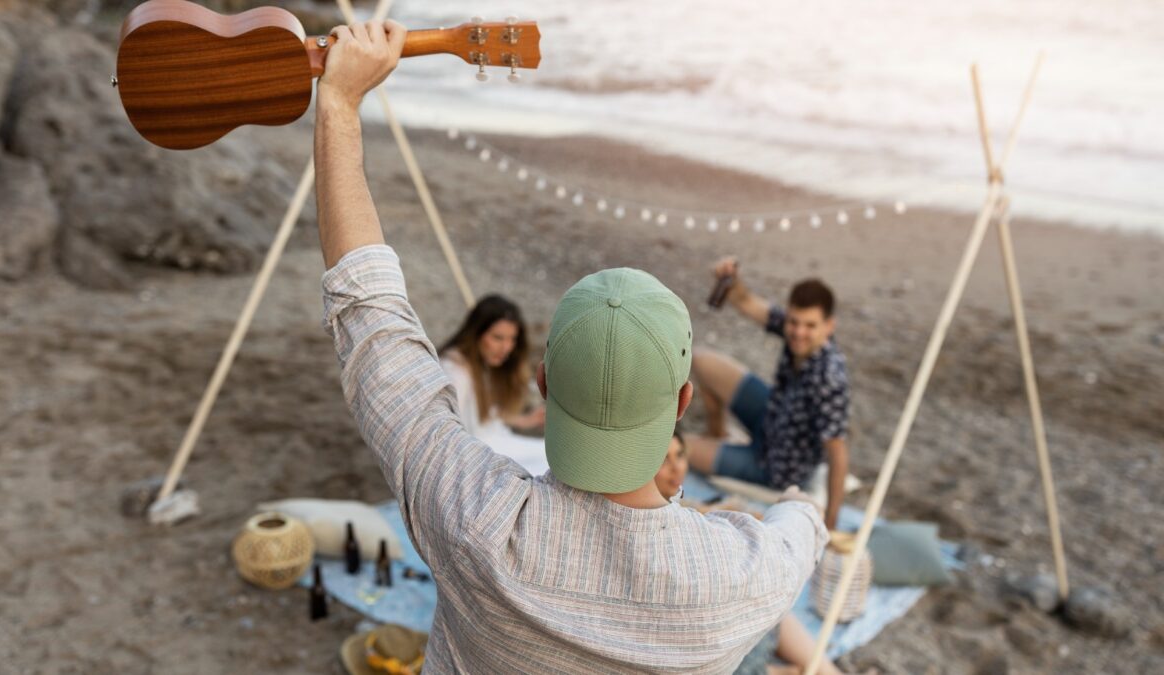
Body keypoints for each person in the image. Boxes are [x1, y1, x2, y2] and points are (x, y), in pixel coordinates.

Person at [315, 20, 827, 673]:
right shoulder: (737, 574)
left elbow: (372, 318)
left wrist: (339, 104)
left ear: (544, 382)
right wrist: (800, 510)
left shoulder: (475, 518)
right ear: (682, 402)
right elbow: (799, 533)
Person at [654, 433, 866, 675]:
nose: (676, 467)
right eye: (663, 460)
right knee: (760, 594)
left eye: (680, 455)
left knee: (768, 598)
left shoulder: (680, 509)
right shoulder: (659, 528)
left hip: (718, 628)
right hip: (698, 642)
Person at [685, 257, 851, 530]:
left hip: (775, 465)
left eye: (810, 326)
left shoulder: (830, 379)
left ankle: (718, 449)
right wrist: (731, 279)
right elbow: (745, 301)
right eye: (794, 322)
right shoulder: (795, 332)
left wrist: (830, 524)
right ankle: (717, 434)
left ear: (828, 326)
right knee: (702, 360)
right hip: (771, 414)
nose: (799, 332)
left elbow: (838, 454)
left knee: (679, 449)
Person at [439, 295, 548, 475]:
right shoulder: (455, 372)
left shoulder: (480, 363)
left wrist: (523, 421)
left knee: (552, 456)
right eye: (498, 338)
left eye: (512, 339)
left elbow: (483, 414)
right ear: (476, 333)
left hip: (496, 443)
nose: (507, 347)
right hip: (479, 456)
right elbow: (449, 430)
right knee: (549, 464)